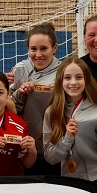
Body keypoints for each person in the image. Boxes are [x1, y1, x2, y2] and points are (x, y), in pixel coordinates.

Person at [42, 58, 97, 187]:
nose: (73, 82)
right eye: (67, 78)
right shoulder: (52, 112)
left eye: (79, 77)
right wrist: (67, 139)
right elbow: (50, 158)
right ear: (60, 81)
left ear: (86, 80)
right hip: (70, 179)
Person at [10, 22, 62, 176]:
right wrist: (20, 93)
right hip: (28, 149)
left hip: (56, 148)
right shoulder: (20, 69)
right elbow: (13, 110)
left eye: (44, 48)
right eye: (33, 49)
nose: (38, 54)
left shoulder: (64, 72)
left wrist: (61, 94)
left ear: (55, 48)